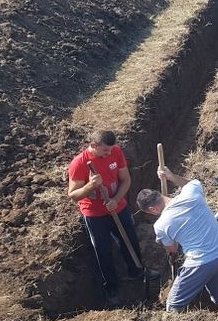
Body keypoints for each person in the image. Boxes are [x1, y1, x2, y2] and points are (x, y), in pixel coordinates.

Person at [67, 130, 159, 306]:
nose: (110, 153)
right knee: (103, 252)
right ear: (93, 146)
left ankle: (137, 272)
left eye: (111, 150)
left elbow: (126, 180)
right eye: (105, 151)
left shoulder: (116, 151)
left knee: (130, 240)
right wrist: (91, 186)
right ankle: (111, 289)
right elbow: (73, 195)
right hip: (95, 215)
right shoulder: (79, 164)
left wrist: (115, 200)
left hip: (118, 207)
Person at [136, 167, 218, 312]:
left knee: (173, 305)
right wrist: (171, 176)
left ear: (153, 209)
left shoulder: (161, 225)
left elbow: (173, 249)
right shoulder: (192, 192)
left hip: (201, 262)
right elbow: (192, 183)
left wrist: (170, 247)